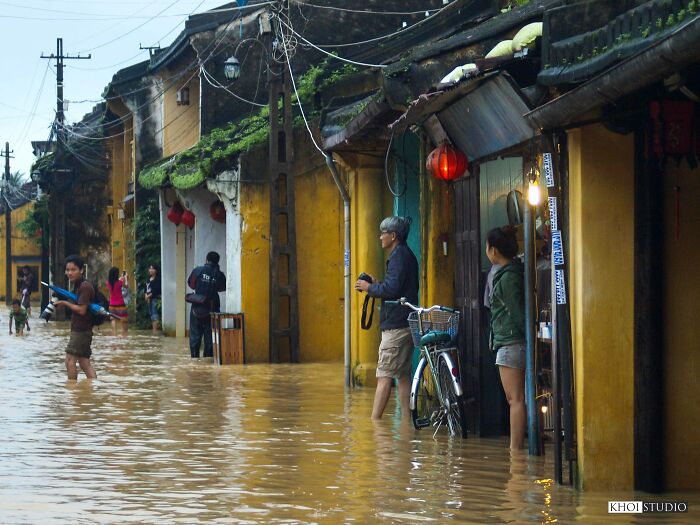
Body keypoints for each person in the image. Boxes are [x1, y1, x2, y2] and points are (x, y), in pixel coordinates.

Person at [355, 216, 418, 421]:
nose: (380, 236)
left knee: (384, 376)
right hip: (405, 323)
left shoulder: (399, 256)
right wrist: (376, 283)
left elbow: (391, 289)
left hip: (396, 327)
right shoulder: (404, 254)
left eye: (383, 233)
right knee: (403, 375)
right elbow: (395, 288)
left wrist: (369, 288)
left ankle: (375, 425)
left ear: (393, 236)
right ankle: (407, 424)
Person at [485, 226, 526, 451]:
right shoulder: (507, 273)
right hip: (510, 342)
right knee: (517, 399)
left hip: (511, 343)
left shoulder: (508, 277)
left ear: (494, 250)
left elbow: (517, 311)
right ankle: (517, 452)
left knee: (515, 400)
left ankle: (516, 453)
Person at [54, 255, 97, 380]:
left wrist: (64, 303)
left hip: (81, 330)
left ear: (82, 270)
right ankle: (93, 388)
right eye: (67, 270)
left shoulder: (84, 287)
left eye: (73, 270)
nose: (69, 273)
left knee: (69, 360)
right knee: (84, 362)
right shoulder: (79, 285)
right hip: (83, 329)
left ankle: (72, 392)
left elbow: (82, 310)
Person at [187, 251, 226, 358]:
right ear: (218, 261)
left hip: (197, 308)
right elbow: (222, 288)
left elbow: (191, 284)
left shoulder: (198, 270)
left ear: (206, 259)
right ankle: (207, 363)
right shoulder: (220, 275)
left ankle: (194, 360)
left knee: (195, 336)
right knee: (210, 338)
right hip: (212, 310)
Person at [106, 267, 129, 336]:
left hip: (112, 304)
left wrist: (121, 278)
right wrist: (126, 278)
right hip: (120, 304)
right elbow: (126, 286)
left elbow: (115, 282)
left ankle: (114, 333)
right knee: (124, 320)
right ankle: (124, 334)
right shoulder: (120, 282)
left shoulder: (108, 283)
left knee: (113, 319)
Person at [144, 263, 162, 333]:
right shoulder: (148, 279)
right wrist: (146, 295)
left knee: (155, 314)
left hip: (155, 299)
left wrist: (148, 296)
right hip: (149, 299)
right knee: (151, 315)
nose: (151, 270)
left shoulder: (158, 279)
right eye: (150, 268)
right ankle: (154, 330)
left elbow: (157, 290)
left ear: (156, 270)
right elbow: (146, 288)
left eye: (153, 268)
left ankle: (155, 330)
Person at [20, 266, 34, 331]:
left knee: (24, 305)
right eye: (23, 270)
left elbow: (28, 284)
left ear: (27, 270)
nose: (23, 271)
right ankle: (29, 315)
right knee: (27, 304)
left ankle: (27, 315)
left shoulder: (30, 276)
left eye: (24, 270)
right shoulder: (26, 276)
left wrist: (23, 280)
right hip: (24, 292)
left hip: (26, 292)